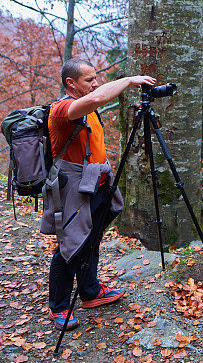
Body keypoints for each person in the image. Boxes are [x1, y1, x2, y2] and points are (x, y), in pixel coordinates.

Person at [40, 58, 155, 330]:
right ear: (71, 83)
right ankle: (58, 306)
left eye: (95, 78)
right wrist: (128, 81)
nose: (95, 83)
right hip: (72, 190)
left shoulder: (88, 107)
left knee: (91, 238)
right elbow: (99, 97)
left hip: (97, 183)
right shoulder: (63, 110)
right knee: (71, 244)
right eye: (89, 80)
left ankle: (90, 291)